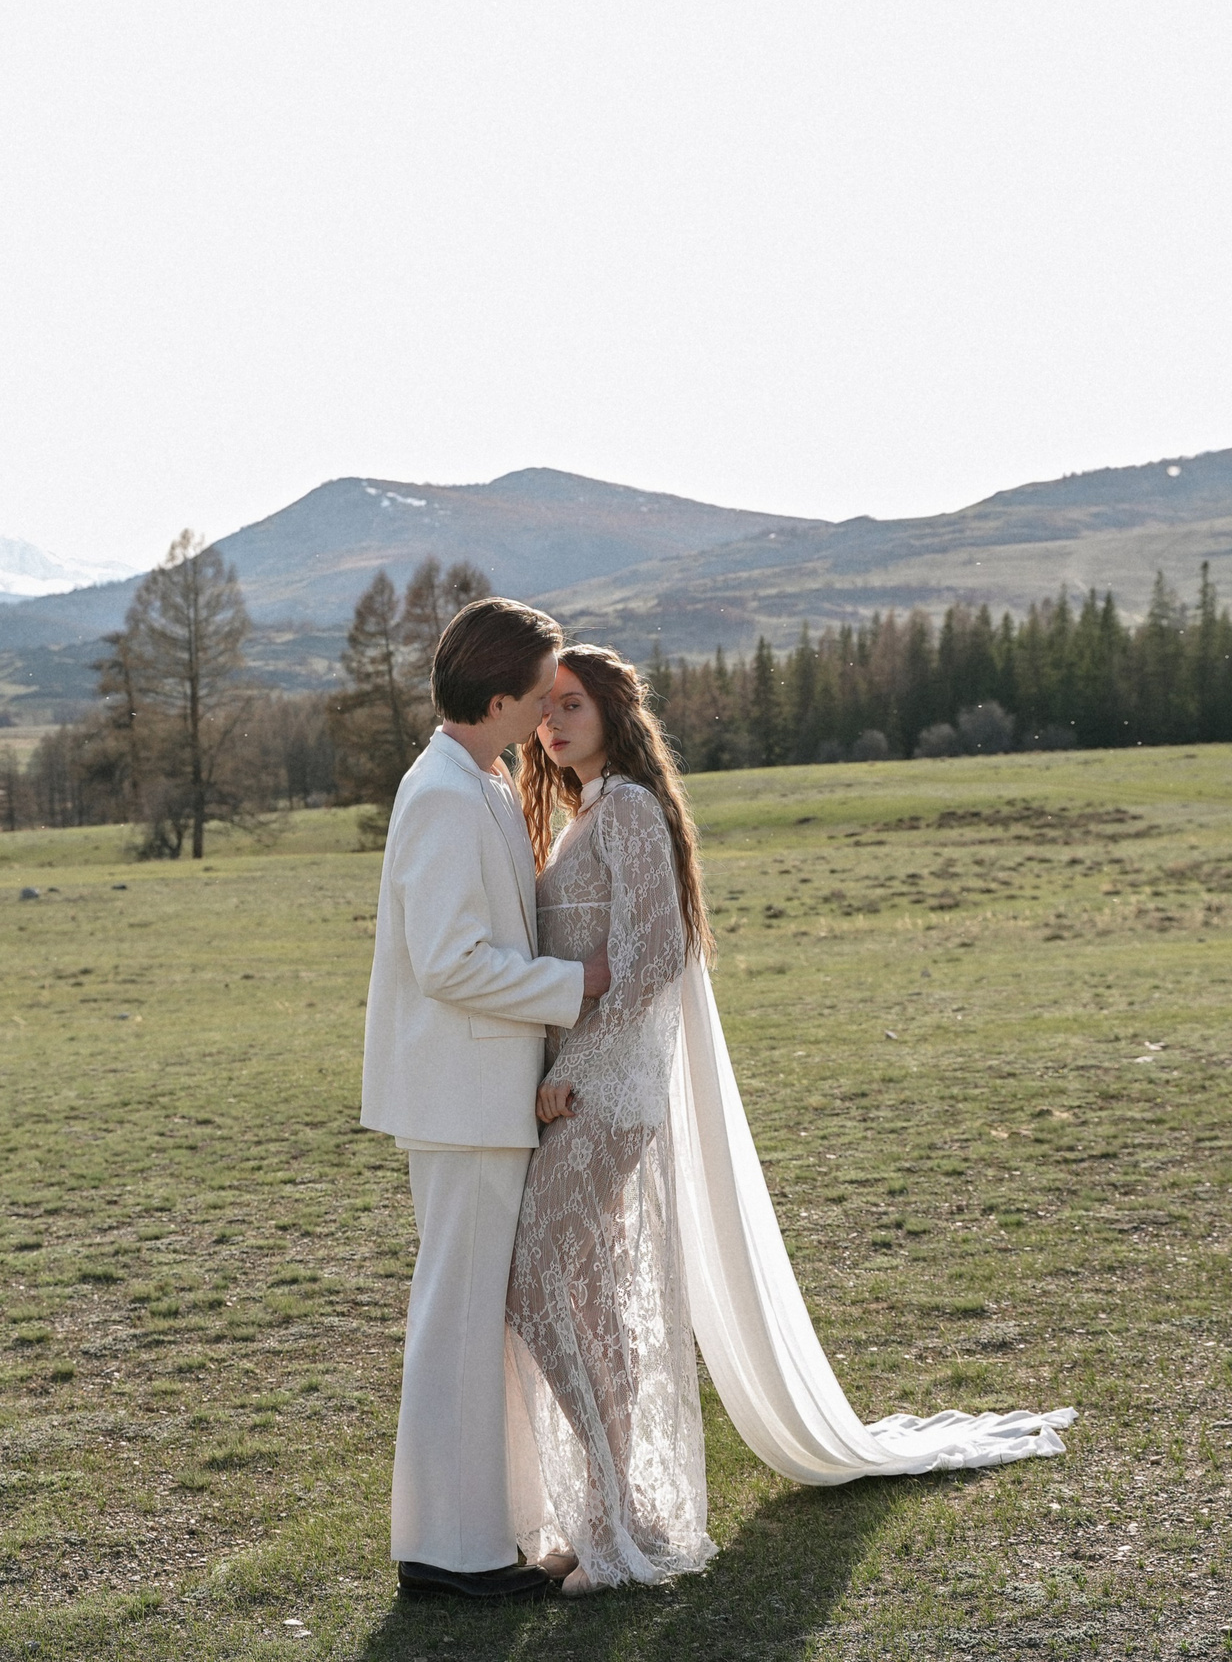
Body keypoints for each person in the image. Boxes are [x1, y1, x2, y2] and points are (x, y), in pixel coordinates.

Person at [506, 644, 1076, 1597]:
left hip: (606, 1090)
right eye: (546, 708)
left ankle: (610, 1525)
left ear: (612, 712)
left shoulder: (632, 809)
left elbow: (653, 960)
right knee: (592, 1301)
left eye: (573, 704)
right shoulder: (587, 813)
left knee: (535, 1284)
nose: (553, 723)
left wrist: (569, 1072)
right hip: (587, 1085)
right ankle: (612, 1517)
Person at [358, 597, 611, 1603]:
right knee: (457, 1323)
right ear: (499, 697)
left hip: (481, 1096)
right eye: (541, 692)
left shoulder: (482, 780)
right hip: (460, 1099)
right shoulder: (442, 797)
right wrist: (576, 985)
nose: (551, 708)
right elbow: (450, 962)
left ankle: (481, 1535)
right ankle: (447, 1553)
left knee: (473, 1322)